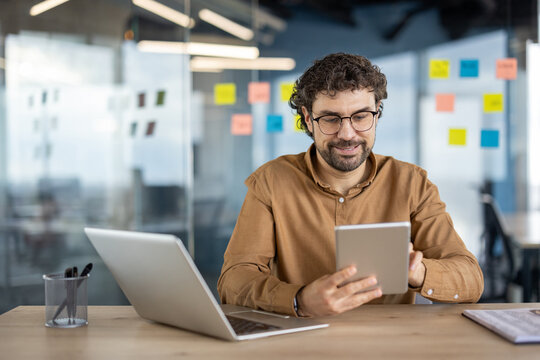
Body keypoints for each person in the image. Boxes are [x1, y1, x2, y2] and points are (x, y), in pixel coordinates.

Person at [217, 53, 484, 317]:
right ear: (309, 118)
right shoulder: (271, 181)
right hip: (301, 341)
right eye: (331, 119)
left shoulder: (412, 183)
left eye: (360, 116)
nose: (347, 134)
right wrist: (299, 300)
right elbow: (233, 280)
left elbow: (471, 280)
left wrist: (419, 272)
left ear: (377, 113)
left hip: (390, 341)